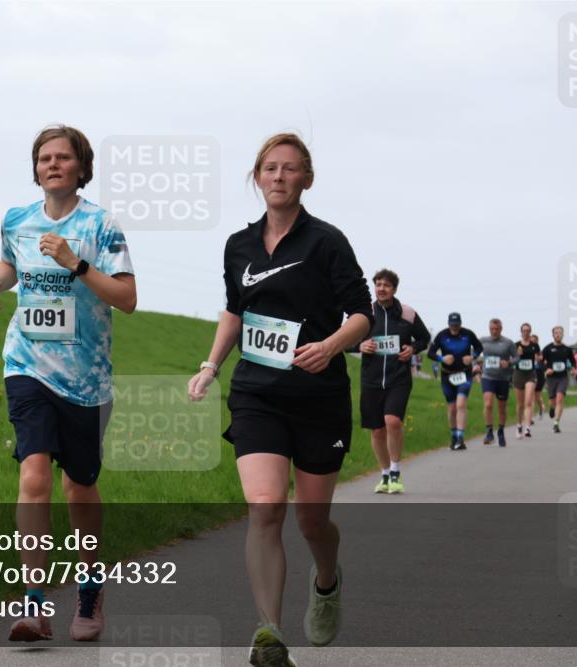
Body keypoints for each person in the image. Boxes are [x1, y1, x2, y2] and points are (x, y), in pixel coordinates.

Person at [188, 133, 372, 667]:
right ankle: (269, 633)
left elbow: (360, 313)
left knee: (312, 522)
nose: (278, 176)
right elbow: (234, 310)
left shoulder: (327, 242)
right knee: (266, 508)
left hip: (319, 397)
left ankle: (327, 578)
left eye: (290, 169)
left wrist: (331, 345)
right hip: (257, 394)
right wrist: (210, 366)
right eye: (269, 168)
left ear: (305, 179)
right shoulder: (238, 246)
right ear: (257, 176)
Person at [0, 125, 137, 643]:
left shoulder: (102, 225)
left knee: (80, 485)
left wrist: (75, 262)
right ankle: (34, 602)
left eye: (62, 158)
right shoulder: (16, 219)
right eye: (44, 158)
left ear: (80, 167)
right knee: (34, 474)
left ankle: (90, 588)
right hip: (26, 363)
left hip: (85, 379)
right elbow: (10, 262)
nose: (52, 165)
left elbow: (126, 297)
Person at [355, 268, 430, 494]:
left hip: (399, 378)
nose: (381, 288)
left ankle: (396, 470)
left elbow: (424, 338)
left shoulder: (407, 313)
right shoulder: (365, 313)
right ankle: (385, 473)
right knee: (377, 430)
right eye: (378, 284)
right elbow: (345, 339)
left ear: (394, 289)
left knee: (392, 421)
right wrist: (359, 345)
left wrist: (412, 348)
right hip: (372, 379)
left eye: (386, 285)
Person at [428, 313, 483, 450]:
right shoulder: (442, 335)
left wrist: (472, 357)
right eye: (452, 325)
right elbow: (430, 353)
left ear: (460, 323)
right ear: (448, 324)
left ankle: (460, 437)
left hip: (464, 374)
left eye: (457, 324)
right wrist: (442, 359)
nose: (455, 327)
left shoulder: (468, 334)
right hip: (447, 375)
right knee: (452, 408)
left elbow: (479, 348)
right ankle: (453, 436)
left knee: (461, 404)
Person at [476, 318, 517, 447]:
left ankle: (500, 431)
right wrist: (476, 363)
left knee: (501, 407)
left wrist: (509, 362)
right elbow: (473, 353)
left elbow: (517, 358)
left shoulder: (508, 343)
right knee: (488, 403)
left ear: (501, 329)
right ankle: (489, 431)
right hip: (487, 376)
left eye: (496, 329)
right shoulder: (483, 340)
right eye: (492, 329)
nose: (494, 331)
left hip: (503, 378)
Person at [541, 326, 576, 434]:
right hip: (551, 378)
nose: (558, 334)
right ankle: (552, 407)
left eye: (560, 333)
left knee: (560, 399)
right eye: (556, 333)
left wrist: (572, 369)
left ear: (563, 334)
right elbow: (541, 362)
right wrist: (547, 369)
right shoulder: (547, 348)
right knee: (553, 401)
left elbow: (573, 361)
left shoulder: (567, 349)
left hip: (563, 377)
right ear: (553, 335)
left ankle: (556, 423)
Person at [512, 323, 541, 439]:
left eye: (528, 330)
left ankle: (527, 428)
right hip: (519, 374)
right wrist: (517, 355)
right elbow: (511, 360)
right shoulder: (516, 345)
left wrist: (538, 358)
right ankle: (519, 425)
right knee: (520, 404)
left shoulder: (535, 345)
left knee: (528, 401)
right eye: (524, 330)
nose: (526, 332)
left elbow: (539, 357)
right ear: (521, 332)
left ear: (530, 332)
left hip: (530, 374)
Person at [531, 334, 546, 419]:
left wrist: (537, 357)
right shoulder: (527, 350)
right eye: (531, 340)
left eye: (534, 340)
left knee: (537, 397)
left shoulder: (540, 352)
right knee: (531, 396)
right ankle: (531, 416)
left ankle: (541, 408)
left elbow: (542, 359)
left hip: (539, 375)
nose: (532, 341)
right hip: (530, 374)